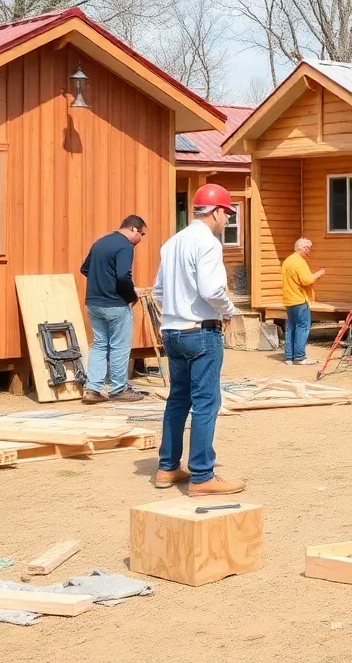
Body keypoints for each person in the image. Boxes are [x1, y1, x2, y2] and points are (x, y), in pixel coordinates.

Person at [152, 184, 243, 496]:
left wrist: (176, 311)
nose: (226, 221)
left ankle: (168, 467)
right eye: (226, 214)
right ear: (215, 212)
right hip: (201, 330)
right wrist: (229, 310)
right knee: (207, 402)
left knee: (178, 399)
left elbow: (159, 291)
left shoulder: (172, 242)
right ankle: (202, 475)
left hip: (173, 330)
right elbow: (211, 290)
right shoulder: (208, 243)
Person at [79, 215, 148, 404]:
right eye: (142, 234)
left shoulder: (100, 242)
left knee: (99, 344)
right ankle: (118, 389)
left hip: (94, 302)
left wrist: (102, 283)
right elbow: (123, 276)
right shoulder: (125, 246)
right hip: (115, 304)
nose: (141, 239)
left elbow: (85, 269)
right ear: (133, 229)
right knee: (119, 345)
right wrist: (131, 295)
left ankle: (93, 389)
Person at [280, 238, 325, 365]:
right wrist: (318, 274)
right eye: (308, 248)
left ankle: (289, 356)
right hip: (299, 299)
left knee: (291, 328)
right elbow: (306, 280)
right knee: (302, 327)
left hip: (289, 299)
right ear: (303, 248)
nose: (309, 251)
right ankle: (299, 356)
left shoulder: (288, 261)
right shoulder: (299, 262)